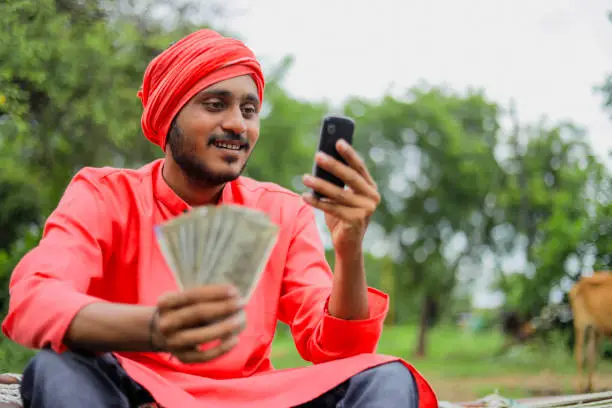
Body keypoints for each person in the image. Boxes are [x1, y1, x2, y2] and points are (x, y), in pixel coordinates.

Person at [2, 29, 437, 408]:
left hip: (248, 397)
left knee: (385, 375)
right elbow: (36, 298)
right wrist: (153, 329)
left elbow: (339, 350)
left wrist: (350, 247)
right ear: (168, 116)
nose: (237, 124)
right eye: (215, 105)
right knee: (58, 367)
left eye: (249, 110)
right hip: (135, 384)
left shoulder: (281, 211)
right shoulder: (104, 194)